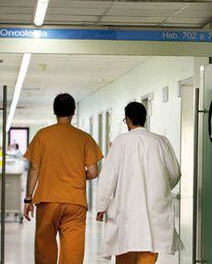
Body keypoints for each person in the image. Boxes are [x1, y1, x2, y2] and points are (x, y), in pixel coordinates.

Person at [96, 102, 182, 264]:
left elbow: (108, 177)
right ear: (145, 119)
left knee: (124, 245)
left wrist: (102, 206)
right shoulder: (161, 142)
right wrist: (161, 187)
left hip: (126, 208)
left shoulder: (120, 142)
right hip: (155, 207)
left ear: (128, 120)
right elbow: (175, 173)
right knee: (149, 248)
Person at [23, 93, 103, 264]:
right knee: (73, 254)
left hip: (47, 200)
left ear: (54, 111)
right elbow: (94, 172)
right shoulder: (84, 138)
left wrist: (28, 198)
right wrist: (74, 175)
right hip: (75, 202)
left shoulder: (42, 136)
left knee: (45, 250)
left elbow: (34, 168)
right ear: (73, 111)